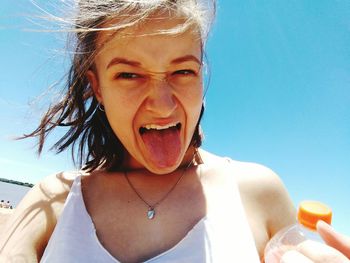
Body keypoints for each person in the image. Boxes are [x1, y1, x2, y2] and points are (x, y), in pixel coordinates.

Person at [0, 0, 349, 262]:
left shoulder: (257, 191)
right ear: (98, 87)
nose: (163, 105)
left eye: (183, 71)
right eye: (130, 75)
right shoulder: (54, 201)